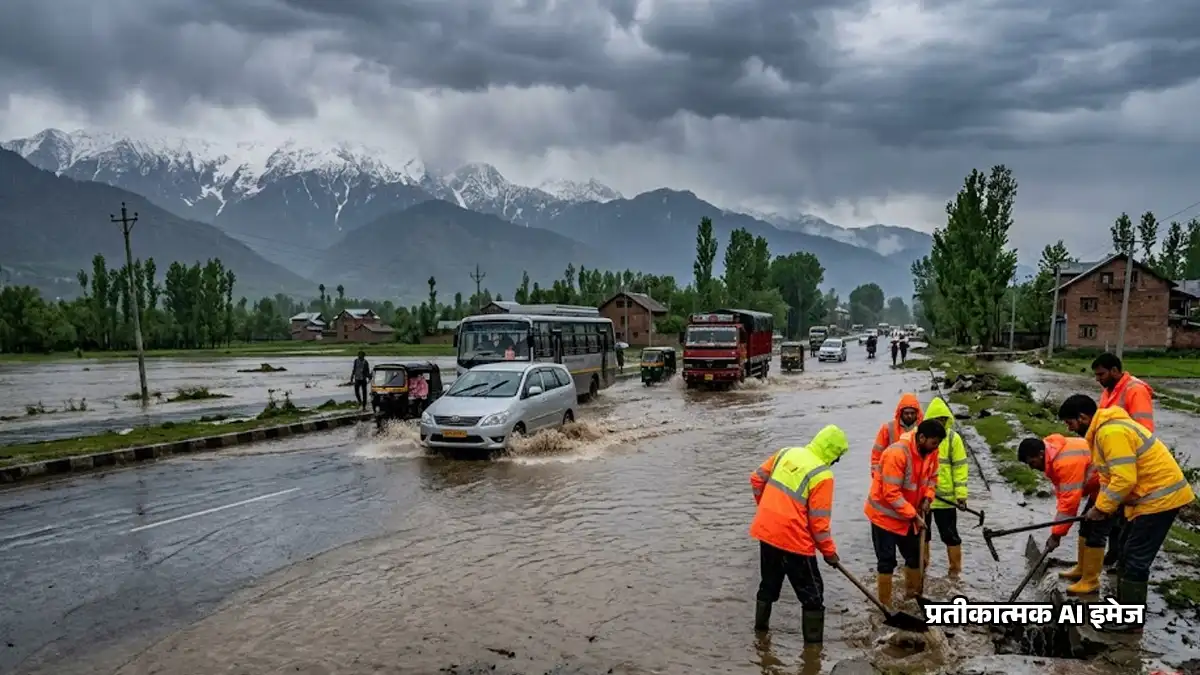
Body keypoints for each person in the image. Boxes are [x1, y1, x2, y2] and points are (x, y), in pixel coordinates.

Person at [1058, 394, 1195, 630]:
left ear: (1082, 417)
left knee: (1134, 557)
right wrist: (1100, 508)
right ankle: (1122, 610)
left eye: (1070, 423)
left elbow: (1124, 479)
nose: (1070, 429)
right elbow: (1108, 478)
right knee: (1124, 547)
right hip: (1145, 499)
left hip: (1160, 499)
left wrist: (1102, 508)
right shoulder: (1102, 433)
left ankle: (1130, 621)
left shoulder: (1111, 433)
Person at [749, 425, 850, 644]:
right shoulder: (822, 475)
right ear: (832, 453)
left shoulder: (786, 452)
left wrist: (768, 510)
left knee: (768, 585)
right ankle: (813, 653)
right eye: (838, 456)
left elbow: (756, 480)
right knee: (813, 597)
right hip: (794, 541)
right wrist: (829, 553)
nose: (837, 462)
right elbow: (819, 524)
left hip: (766, 532)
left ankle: (760, 635)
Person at [864, 420, 946, 608]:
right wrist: (913, 515)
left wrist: (928, 497)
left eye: (938, 443)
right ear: (922, 438)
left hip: (909, 515)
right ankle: (885, 606)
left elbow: (933, 477)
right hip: (884, 517)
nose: (936, 447)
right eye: (934, 443)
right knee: (887, 561)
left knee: (915, 557)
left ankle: (913, 597)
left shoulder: (931, 451)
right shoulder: (897, 453)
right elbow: (891, 493)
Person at [1093, 352, 1156, 572]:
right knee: (1115, 513)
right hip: (1115, 458)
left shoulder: (1135, 390)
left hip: (1129, 460)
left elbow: (1143, 430)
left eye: (1101, 374)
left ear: (1114, 370)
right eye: (1096, 376)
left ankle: (1123, 559)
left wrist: (1125, 466)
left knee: (1126, 515)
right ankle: (1115, 553)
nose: (1098, 379)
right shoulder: (1109, 391)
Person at [1017, 434, 1100, 592]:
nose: (1032, 467)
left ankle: (1091, 581)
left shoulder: (1064, 462)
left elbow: (1069, 503)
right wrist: (1057, 530)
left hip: (1112, 482)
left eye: (1032, 462)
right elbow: (1064, 494)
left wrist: (1056, 535)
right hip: (1100, 482)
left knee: (1096, 531)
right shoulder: (1052, 454)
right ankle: (1082, 569)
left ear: (1041, 454)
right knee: (1086, 524)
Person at [922, 397, 968, 575]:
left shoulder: (953, 439)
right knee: (923, 535)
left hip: (946, 500)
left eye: (943, 419)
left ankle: (955, 571)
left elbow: (960, 467)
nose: (940, 423)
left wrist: (961, 495)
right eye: (936, 420)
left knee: (950, 536)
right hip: (924, 498)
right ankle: (922, 568)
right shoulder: (922, 437)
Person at [870, 393, 923, 480]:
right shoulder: (888, 428)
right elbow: (876, 455)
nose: (909, 416)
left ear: (917, 413)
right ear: (900, 412)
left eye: (912, 413)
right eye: (906, 413)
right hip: (892, 475)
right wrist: (876, 477)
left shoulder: (923, 429)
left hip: (915, 477)